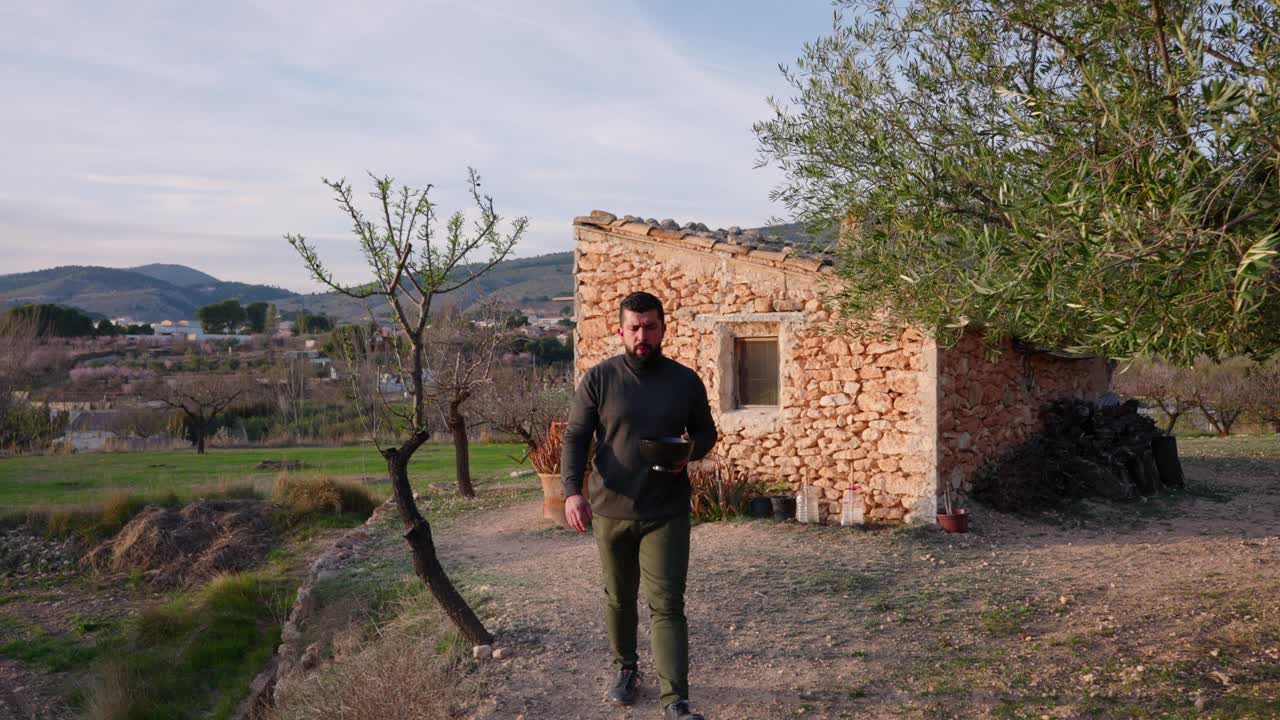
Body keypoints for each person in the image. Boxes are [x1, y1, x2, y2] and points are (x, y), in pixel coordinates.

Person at [561, 291, 717, 720]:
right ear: (620, 331)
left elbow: (706, 433)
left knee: (667, 605)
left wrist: (691, 451)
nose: (642, 335)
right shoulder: (599, 380)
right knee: (619, 598)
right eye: (634, 328)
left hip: (665, 511)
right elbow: (575, 437)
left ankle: (676, 702)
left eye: (650, 326)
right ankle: (625, 669)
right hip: (610, 510)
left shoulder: (684, 380)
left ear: (663, 328)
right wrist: (572, 491)